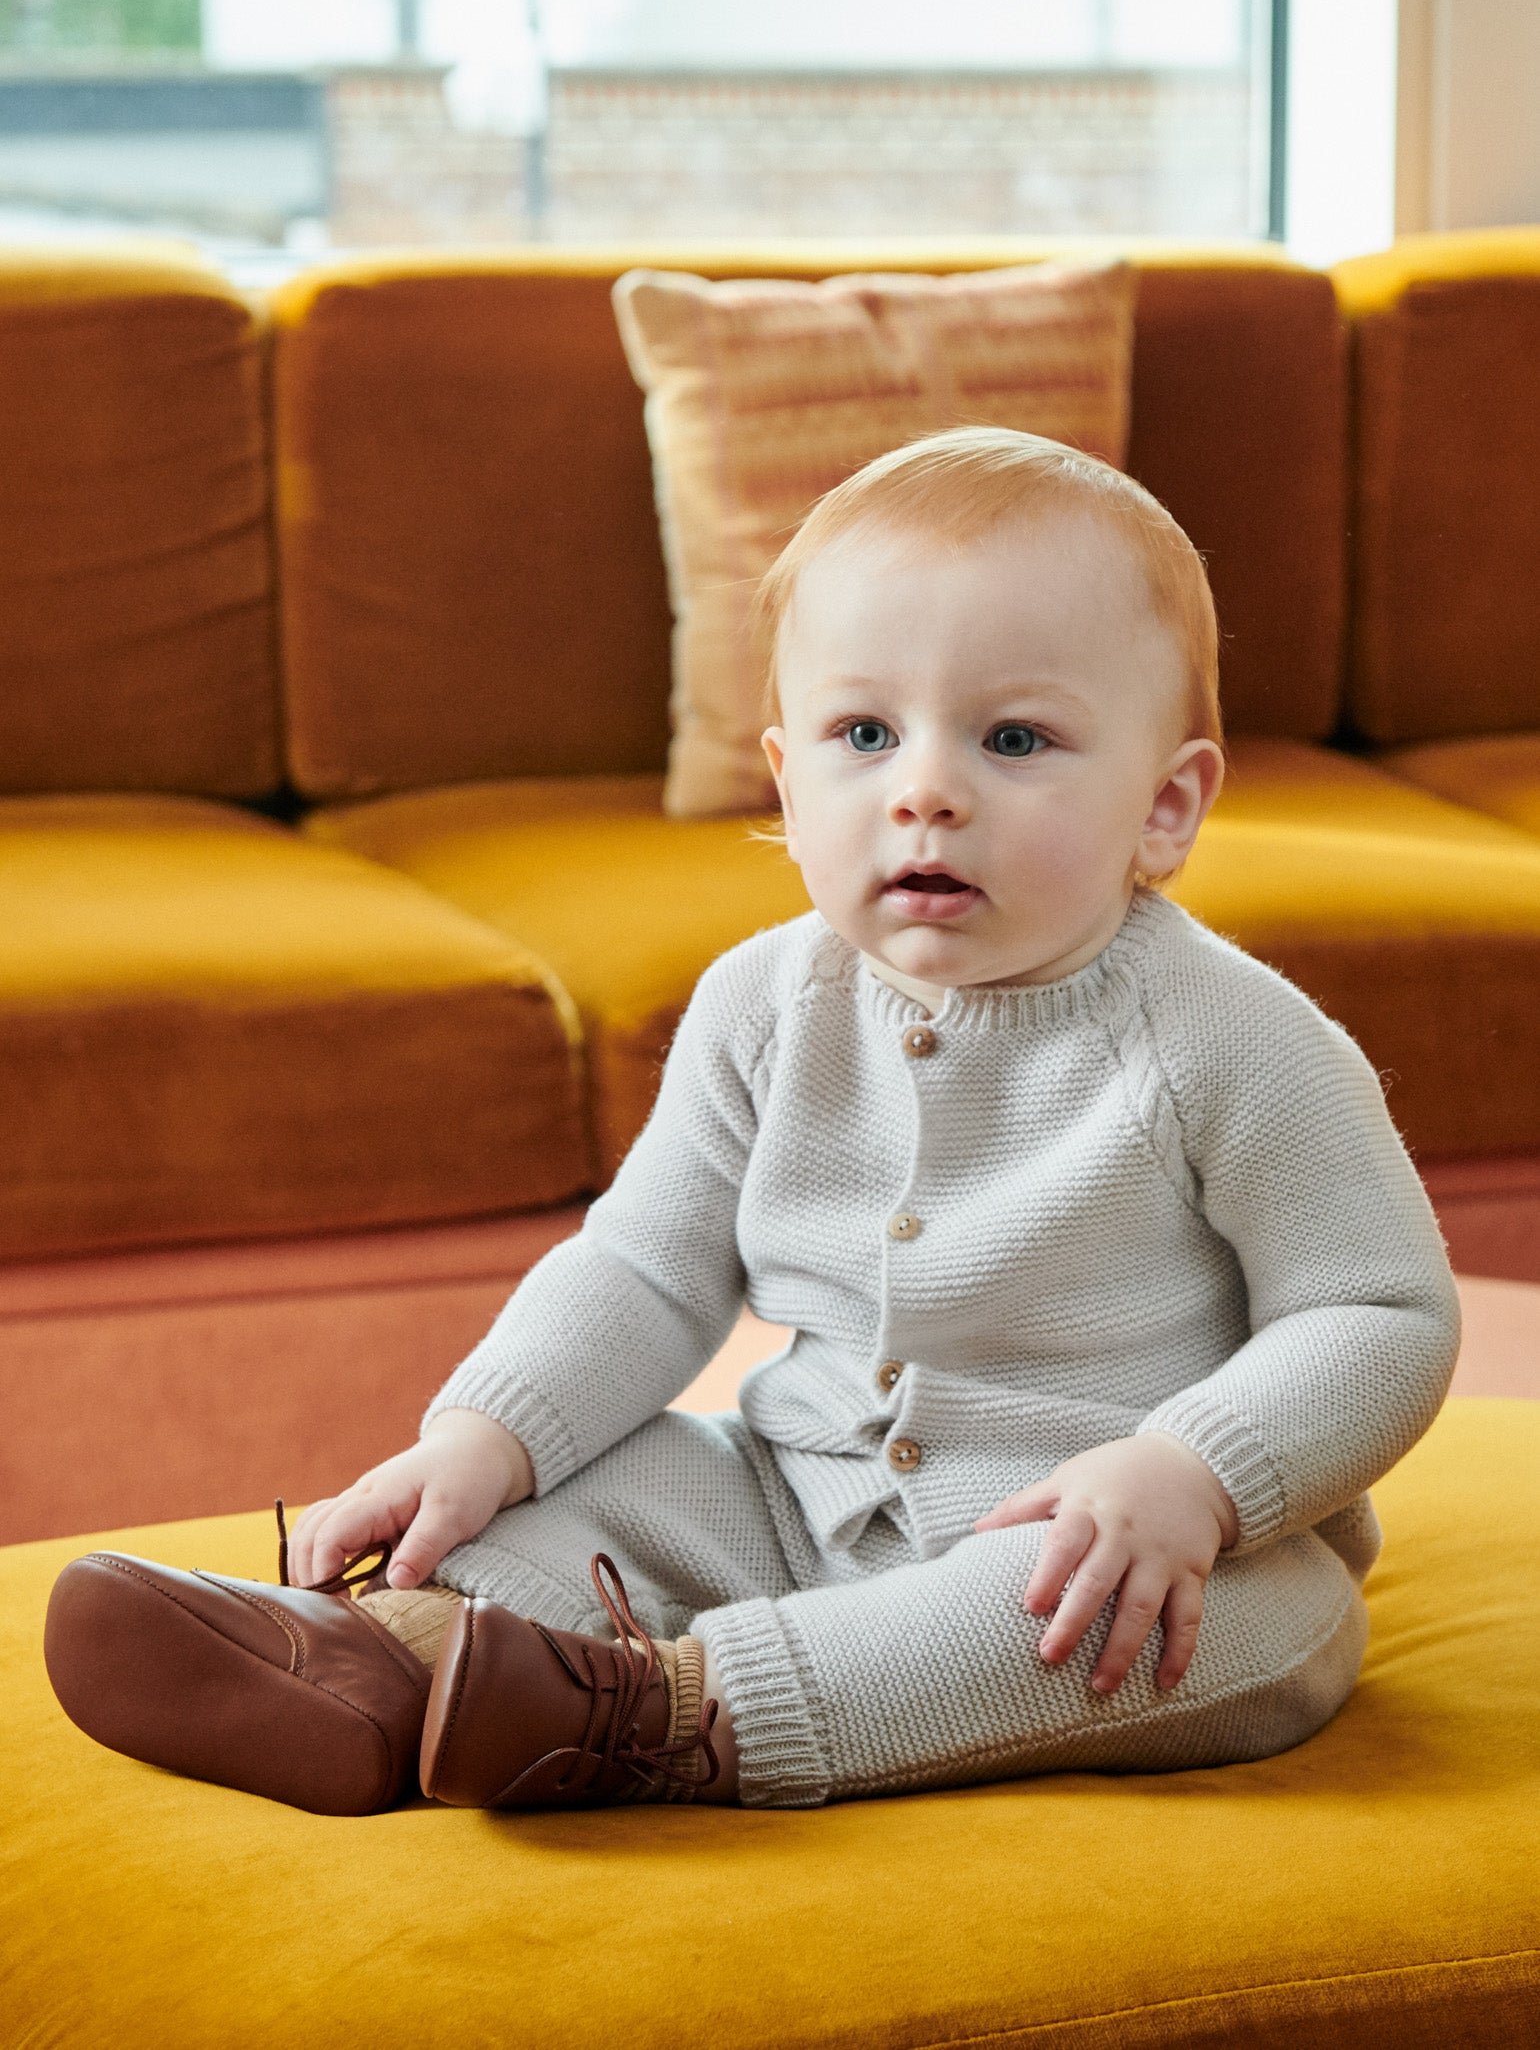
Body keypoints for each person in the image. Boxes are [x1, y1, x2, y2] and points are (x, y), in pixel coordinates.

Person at [46, 428, 1460, 1817]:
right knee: (612, 1483)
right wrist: (480, 1439)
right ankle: (395, 1663)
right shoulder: (765, 1002)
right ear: (787, 782)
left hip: (1124, 1549)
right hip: (798, 1494)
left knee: (1144, 1632)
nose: (926, 787)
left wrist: (1197, 1474)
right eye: (864, 733)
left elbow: (1380, 1309)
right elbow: (645, 1266)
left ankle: (667, 1713)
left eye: (1014, 736)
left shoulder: (1231, 1038)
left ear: (1165, 808)